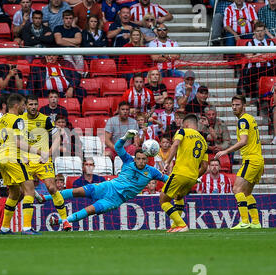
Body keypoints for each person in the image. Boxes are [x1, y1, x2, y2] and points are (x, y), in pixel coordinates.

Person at [39, 131, 168, 228]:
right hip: (107, 186)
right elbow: (118, 148)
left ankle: (61, 221)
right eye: (138, 158)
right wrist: (125, 137)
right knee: (76, 191)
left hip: (115, 200)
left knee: (89, 210)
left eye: (143, 159)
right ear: (135, 158)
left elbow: (168, 179)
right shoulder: (128, 160)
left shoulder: (152, 172)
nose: (140, 161)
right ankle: (44, 198)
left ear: (147, 159)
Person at [0, 93, 47, 235]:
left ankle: (4, 227)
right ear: (16, 105)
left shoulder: (2, 119)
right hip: (14, 158)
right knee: (29, 190)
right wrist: (39, 152)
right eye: (24, 105)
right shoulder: (18, 120)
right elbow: (18, 143)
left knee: (14, 193)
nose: (25, 108)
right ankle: (27, 228)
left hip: (2, 159)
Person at [21, 95, 71, 231]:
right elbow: (16, 140)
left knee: (52, 187)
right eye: (30, 104)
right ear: (25, 106)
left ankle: (65, 221)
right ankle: (19, 226)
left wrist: (48, 153)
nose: (33, 107)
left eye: (35, 104)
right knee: (21, 193)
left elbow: (56, 137)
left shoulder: (45, 119)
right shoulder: (20, 121)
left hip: (43, 160)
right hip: (26, 161)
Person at [214, 95, 263, 229]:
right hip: (258, 159)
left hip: (251, 160)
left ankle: (244, 221)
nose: (234, 107)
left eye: (237, 105)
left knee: (237, 189)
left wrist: (225, 151)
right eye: (233, 105)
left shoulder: (242, 121)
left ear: (244, 106)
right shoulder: (250, 118)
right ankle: (256, 222)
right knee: (246, 193)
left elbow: (243, 141)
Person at [160, 114, 209, 233]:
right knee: (178, 197)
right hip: (192, 177)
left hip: (180, 173)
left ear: (186, 124)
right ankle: (175, 226)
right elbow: (205, 166)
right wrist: (194, 176)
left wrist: (167, 162)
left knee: (163, 200)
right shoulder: (203, 141)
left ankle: (181, 224)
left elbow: (175, 144)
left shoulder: (182, 131)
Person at [238, 21, 275, 100]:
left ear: (265, 31)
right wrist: (264, 55)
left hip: (268, 68)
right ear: (254, 32)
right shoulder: (249, 43)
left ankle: (270, 95)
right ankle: (253, 96)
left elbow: (271, 56)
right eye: (258, 31)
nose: (260, 33)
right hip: (254, 69)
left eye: (262, 31)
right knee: (249, 72)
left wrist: (257, 56)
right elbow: (250, 58)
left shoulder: (270, 42)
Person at [53, 10, 84, 74]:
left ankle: (79, 74)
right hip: (63, 50)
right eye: (66, 18)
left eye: (70, 18)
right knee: (68, 58)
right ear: (63, 19)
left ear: (73, 20)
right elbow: (58, 41)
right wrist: (73, 43)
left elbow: (78, 41)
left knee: (80, 59)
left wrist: (64, 39)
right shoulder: (58, 28)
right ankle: (77, 74)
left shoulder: (76, 29)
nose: (68, 20)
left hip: (75, 49)